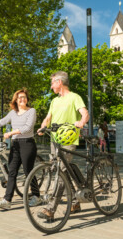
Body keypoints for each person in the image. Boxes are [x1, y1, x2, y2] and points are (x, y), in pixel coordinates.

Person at [37, 71, 89, 219]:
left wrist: (82, 122)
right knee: (61, 171)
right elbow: (48, 118)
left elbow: (85, 113)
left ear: (59, 82)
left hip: (68, 140)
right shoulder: (54, 101)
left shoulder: (74, 97)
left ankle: (50, 209)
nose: (51, 85)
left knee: (60, 172)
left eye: (52, 82)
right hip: (55, 141)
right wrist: (42, 127)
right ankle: (74, 202)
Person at [0, 88, 40, 210]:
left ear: (27, 99)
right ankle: (7, 200)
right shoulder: (13, 113)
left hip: (27, 143)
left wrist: (11, 133)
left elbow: (28, 128)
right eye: (20, 97)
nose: (22, 99)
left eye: (24, 97)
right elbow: (1, 122)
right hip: (16, 145)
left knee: (28, 171)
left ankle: (36, 196)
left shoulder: (31, 111)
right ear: (16, 100)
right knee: (12, 172)